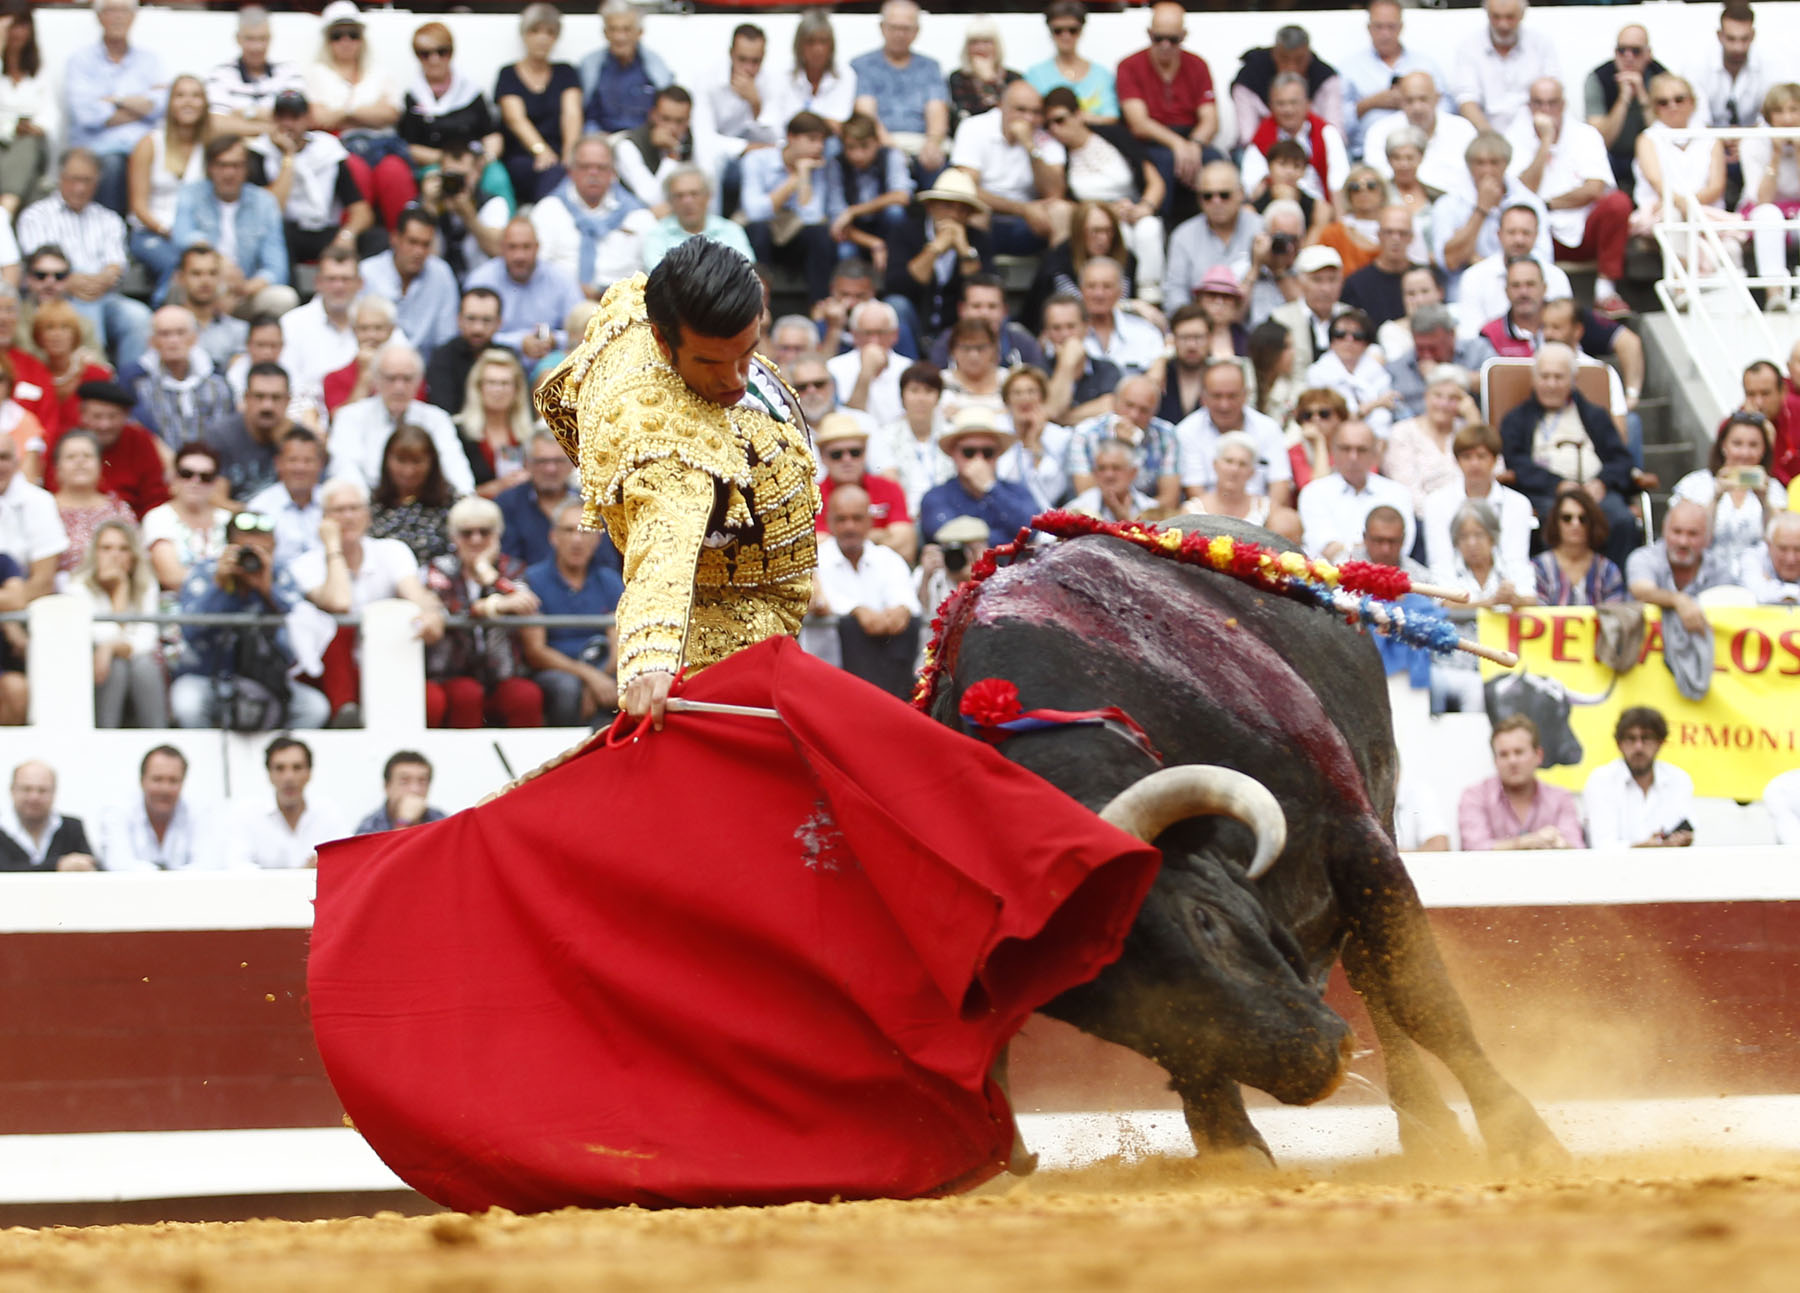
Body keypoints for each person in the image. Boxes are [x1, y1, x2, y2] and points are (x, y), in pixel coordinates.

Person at [289, 475, 443, 728]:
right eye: (339, 510)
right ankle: (345, 712)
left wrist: (430, 613)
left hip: (386, 664)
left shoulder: (392, 550)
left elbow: (415, 594)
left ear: (368, 514)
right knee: (341, 629)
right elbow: (340, 602)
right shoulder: (305, 564)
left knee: (433, 701)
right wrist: (333, 547)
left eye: (354, 508)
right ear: (324, 518)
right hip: (329, 674)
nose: (348, 517)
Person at [1497, 343, 1637, 567]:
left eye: (1559, 377)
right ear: (1534, 380)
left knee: (1622, 520)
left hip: (1594, 491)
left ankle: (1613, 585)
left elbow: (1621, 459)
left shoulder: (1595, 415)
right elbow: (1517, 463)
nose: (1551, 384)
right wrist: (1558, 485)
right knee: (1553, 520)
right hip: (1546, 493)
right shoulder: (1516, 419)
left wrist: (1601, 483)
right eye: (1545, 377)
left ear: (1572, 380)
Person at [16, 150, 152, 372]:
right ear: (60, 178)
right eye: (74, 179)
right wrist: (72, 280)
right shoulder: (36, 215)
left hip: (105, 293)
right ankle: (97, 371)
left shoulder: (109, 218)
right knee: (85, 304)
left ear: (97, 182)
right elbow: (38, 262)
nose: (79, 187)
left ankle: (130, 381)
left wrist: (102, 279)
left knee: (139, 317)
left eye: (87, 180)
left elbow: (116, 263)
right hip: (57, 295)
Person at [1507, 78, 1631, 316]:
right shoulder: (1514, 136)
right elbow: (1523, 191)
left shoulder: (1586, 135)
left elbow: (1594, 189)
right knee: (1518, 223)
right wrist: (1545, 142)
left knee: (1618, 203)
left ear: (1563, 104)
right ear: (1529, 106)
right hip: (1539, 233)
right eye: (1538, 103)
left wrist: (1546, 204)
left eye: (1552, 103)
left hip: (1583, 229)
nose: (1545, 110)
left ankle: (1605, 292)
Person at [306, 1, 417, 234]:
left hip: (384, 145)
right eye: (337, 35)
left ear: (361, 38)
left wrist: (345, 112)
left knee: (395, 172)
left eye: (353, 34)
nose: (346, 41)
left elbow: (391, 114)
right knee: (355, 172)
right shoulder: (316, 74)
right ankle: (351, 243)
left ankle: (405, 241)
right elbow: (318, 118)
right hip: (342, 148)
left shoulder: (379, 72)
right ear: (327, 40)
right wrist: (369, 111)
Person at [805, 481, 921, 696]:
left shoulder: (888, 558)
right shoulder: (813, 562)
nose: (849, 527)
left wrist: (900, 610)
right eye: (841, 519)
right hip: (828, 680)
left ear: (870, 521)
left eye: (857, 518)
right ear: (829, 522)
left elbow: (905, 602)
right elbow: (819, 602)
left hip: (887, 679)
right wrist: (857, 610)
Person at [519, 498, 621, 727]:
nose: (577, 540)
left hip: (605, 669)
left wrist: (599, 678)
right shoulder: (533, 580)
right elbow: (536, 651)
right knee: (566, 689)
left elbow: (619, 642)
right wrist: (589, 677)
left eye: (585, 531)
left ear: (598, 539)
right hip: (558, 672)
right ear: (553, 536)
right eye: (568, 530)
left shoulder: (610, 581)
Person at [252, 90, 377, 273]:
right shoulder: (260, 152)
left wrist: (347, 235)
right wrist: (288, 156)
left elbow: (361, 210)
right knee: (276, 236)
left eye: (294, 117)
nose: (287, 124)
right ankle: (287, 290)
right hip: (287, 231)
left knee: (377, 239)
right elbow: (271, 210)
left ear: (307, 119)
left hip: (326, 231)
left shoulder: (327, 150)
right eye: (281, 117)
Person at [330, 342, 476, 497]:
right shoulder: (350, 417)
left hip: (427, 503)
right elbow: (346, 469)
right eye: (391, 378)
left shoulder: (437, 419)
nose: (399, 387)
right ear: (375, 380)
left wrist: (466, 499)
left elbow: (455, 466)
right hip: (368, 500)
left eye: (407, 379)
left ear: (419, 381)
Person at [61, 0, 165, 216]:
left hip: (143, 149)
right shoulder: (80, 60)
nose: (118, 17)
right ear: (98, 17)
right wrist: (139, 108)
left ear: (134, 17)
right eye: (111, 10)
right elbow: (87, 115)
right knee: (113, 164)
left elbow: (160, 106)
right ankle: (113, 231)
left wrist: (115, 100)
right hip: (98, 150)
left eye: (124, 11)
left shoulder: (150, 60)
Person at [64, 515, 163, 727]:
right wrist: (120, 591)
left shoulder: (146, 584)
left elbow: (147, 640)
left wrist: (110, 647)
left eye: (123, 549)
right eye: (106, 548)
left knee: (144, 666)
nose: (115, 555)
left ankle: (157, 734)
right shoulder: (77, 587)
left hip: (134, 663)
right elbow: (98, 637)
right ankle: (105, 733)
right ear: (95, 553)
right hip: (90, 667)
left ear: (133, 555)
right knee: (116, 667)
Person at [949, 80, 1067, 257]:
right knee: (974, 212)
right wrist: (1022, 209)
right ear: (1001, 106)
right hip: (988, 214)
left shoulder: (1045, 137)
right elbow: (966, 188)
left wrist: (1030, 147)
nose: (1029, 118)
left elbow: (1055, 194)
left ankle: (1056, 272)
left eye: (1036, 112)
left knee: (1062, 211)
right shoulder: (974, 127)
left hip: (1031, 222)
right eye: (1021, 110)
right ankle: (978, 272)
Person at [1625, 500, 1737, 687]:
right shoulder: (1643, 558)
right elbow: (1641, 590)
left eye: (1693, 534)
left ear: (1708, 538)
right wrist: (1678, 601)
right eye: (1677, 532)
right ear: (1664, 530)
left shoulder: (1720, 569)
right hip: (1642, 675)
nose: (1683, 542)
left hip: (1708, 677)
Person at [529, 135, 652, 300]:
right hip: (560, 301)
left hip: (623, 304)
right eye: (585, 167)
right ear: (570, 171)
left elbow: (652, 272)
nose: (593, 173)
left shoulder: (638, 216)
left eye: (601, 167)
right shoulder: (548, 210)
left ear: (613, 172)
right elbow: (536, 268)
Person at [1672, 411, 1790, 570]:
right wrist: (1716, 497)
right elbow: (1685, 539)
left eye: (1753, 445)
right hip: (1707, 572)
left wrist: (1765, 502)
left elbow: (1783, 543)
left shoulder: (1773, 489)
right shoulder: (1694, 484)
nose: (1745, 453)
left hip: (1758, 574)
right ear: (1723, 446)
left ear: (1763, 450)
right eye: (1737, 444)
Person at [849, 0, 950, 178]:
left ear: (916, 31)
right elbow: (866, 114)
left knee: (939, 166)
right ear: (882, 28)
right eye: (894, 27)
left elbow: (937, 110)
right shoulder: (862, 66)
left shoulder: (930, 67)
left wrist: (933, 142)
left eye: (906, 28)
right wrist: (893, 149)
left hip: (921, 143)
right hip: (880, 144)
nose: (899, 34)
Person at [1632, 73, 1734, 248]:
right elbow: (1657, 182)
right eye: (1663, 102)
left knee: (1731, 248)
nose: (1672, 106)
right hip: (1662, 214)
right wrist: (1682, 205)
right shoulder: (1647, 139)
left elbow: (1716, 187)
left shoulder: (1710, 138)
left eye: (1679, 99)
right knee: (1673, 217)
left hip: (1707, 214)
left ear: (1692, 102)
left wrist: (1689, 205)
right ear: (1655, 108)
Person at [1174, 358, 1294, 507]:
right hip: (1207, 515)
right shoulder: (1187, 431)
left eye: (1232, 396)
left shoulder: (1269, 428)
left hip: (1262, 514)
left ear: (1245, 395)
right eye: (1217, 396)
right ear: (1203, 397)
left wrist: (1263, 516)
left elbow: (1280, 484)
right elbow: (1194, 491)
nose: (1224, 405)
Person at [496, 4, 584, 205]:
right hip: (522, 154)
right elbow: (515, 119)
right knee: (550, 174)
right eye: (535, 31)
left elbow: (572, 114)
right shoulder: (508, 74)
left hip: (560, 154)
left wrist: (569, 154)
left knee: (561, 172)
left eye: (550, 32)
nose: (542, 38)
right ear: (524, 34)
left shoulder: (566, 72)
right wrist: (540, 150)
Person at [126, 73, 209, 287]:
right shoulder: (149, 144)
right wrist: (168, 231)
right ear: (170, 103)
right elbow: (138, 206)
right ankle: (165, 306)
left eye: (196, 96)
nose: (188, 102)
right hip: (152, 231)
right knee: (177, 264)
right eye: (180, 96)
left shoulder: (208, 146)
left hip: (194, 233)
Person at [1458, 715, 1586, 851]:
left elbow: (1576, 847)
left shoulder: (1560, 798)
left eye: (1519, 752)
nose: (1512, 761)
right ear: (1495, 761)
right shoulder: (1475, 796)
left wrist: (1560, 844)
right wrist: (1525, 842)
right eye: (1504, 754)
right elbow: (1474, 848)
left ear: (1538, 755)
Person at [917, 405, 1039, 546]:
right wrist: (1011, 539)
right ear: (953, 454)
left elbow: (1031, 529)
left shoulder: (1017, 491)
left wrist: (991, 487)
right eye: (969, 452)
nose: (978, 459)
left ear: (997, 455)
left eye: (987, 452)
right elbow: (948, 536)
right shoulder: (937, 496)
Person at [1342, 1, 1445, 162]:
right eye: (1379, 27)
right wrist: (1370, 103)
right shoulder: (1349, 68)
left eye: (1391, 27)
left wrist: (1415, 103)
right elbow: (1339, 122)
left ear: (1401, 27)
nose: (1385, 34)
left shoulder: (1425, 64)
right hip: (1365, 157)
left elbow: (1446, 106)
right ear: (1368, 28)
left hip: (1425, 152)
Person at [1297, 418, 1413, 560]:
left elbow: (1400, 547)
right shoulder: (1314, 492)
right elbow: (1327, 548)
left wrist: (1349, 549)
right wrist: (1367, 551)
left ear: (1375, 453)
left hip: (1386, 572)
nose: (1353, 457)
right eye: (1345, 449)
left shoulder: (1398, 493)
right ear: (1333, 451)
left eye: (1361, 450)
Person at [398, 21, 501, 181]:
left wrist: (483, 160)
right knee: (434, 185)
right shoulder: (412, 97)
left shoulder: (471, 92)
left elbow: (491, 134)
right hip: (434, 164)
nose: (434, 59)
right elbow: (408, 146)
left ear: (451, 52)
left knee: (496, 178)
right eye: (425, 54)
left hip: (476, 163)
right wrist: (447, 160)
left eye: (442, 52)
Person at [124, 306, 236, 450]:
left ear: (194, 338)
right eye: (164, 334)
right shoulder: (137, 385)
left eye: (180, 333)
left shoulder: (217, 384)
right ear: (152, 341)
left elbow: (224, 434)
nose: (173, 340)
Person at [1583, 706, 1695, 849]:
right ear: (1619, 744)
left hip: (1669, 862)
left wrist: (1681, 840)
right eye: (1631, 739)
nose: (1638, 747)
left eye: (1646, 738)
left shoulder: (1678, 779)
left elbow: (1684, 828)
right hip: (1614, 864)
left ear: (1660, 743)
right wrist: (1643, 847)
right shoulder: (1601, 780)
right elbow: (1602, 846)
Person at [96, 746, 222, 870]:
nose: (165, 789)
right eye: (157, 779)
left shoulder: (199, 812)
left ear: (183, 782)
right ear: (142, 781)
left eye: (173, 780)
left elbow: (209, 865)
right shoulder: (118, 812)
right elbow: (118, 864)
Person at [359, 205, 459, 360]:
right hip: (376, 363)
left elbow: (446, 337)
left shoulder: (442, 274)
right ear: (395, 239)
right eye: (412, 242)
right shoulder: (367, 272)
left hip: (427, 367)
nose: (419, 251)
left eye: (425, 244)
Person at [234, 736, 346, 870]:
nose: (289, 777)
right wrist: (303, 873)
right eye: (280, 768)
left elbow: (346, 861)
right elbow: (238, 868)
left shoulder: (327, 812)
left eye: (297, 768)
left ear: (309, 773)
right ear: (269, 774)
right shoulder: (248, 815)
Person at [1450, 0, 1560, 137]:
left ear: (1522, 14)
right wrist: (1491, 137)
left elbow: (1553, 92)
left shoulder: (1541, 44)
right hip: (1484, 133)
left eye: (1510, 17)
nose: (1503, 25)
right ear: (1487, 14)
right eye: (1496, 17)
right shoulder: (1469, 47)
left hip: (1534, 131)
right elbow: (1466, 100)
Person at [1241, 75, 1349, 212]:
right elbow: (1252, 185)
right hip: (1275, 207)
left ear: (1308, 104)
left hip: (1319, 207)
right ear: (1270, 106)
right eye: (1281, 103)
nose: (1288, 110)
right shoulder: (1261, 137)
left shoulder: (1326, 132)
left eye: (1294, 102)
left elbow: (1339, 182)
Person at [1366, 72, 1477, 198]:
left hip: (1455, 203)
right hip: (1400, 203)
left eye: (1423, 99)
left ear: (1437, 98)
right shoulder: (1380, 131)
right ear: (1400, 101)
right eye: (1409, 101)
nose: (1417, 108)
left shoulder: (1462, 129)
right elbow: (1379, 180)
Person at [142, 439, 229, 597]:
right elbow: (171, 577)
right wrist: (223, 578)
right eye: (186, 474)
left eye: (205, 477)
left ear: (215, 482)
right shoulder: (158, 517)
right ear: (174, 477)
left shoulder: (227, 519)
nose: (195, 482)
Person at [1740, 82, 1800, 307]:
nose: (1787, 118)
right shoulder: (1754, 142)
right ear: (1769, 115)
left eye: (1794, 110)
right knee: (1768, 214)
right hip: (1765, 212)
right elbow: (1762, 199)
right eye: (1779, 111)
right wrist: (1775, 155)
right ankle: (1774, 294)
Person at [206, 6, 303, 145]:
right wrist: (268, 128)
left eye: (262, 39)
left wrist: (244, 113)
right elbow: (215, 124)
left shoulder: (289, 71)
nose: (257, 47)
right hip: (238, 152)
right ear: (238, 39)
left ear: (270, 38)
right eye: (250, 39)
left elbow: (296, 117)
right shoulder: (220, 74)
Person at [1587, 25, 1666, 194]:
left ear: (1648, 54)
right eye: (1622, 50)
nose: (1628, 57)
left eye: (1636, 51)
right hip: (1613, 156)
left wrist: (1643, 96)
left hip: (1651, 156)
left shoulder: (1661, 78)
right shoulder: (1598, 78)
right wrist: (1624, 99)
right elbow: (1600, 141)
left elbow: (1665, 137)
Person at [1386, 364, 1473, 516]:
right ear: (1426, 396)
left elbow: (1496, 471)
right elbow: (1407, 490)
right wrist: (1440, 517)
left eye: (1453, 398)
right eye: (1438, 396)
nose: (1444, 404)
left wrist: (1474, 418)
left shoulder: (1467, 430)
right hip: (1422, 517)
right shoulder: (1403, 432)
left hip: (1470, 515)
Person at [579, 0, 673, 138]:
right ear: (605, 32)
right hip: (602, 140)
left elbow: (668, 111)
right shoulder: (590, 66)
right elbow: (584, 115)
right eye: (613, 29)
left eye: (626, 29)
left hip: (645, 140)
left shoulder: (656, 67)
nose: (619, 37)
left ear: (639, 32)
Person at [48, 431, 134, 580]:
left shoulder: (118, 509)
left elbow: (134, 555)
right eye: (71, 457)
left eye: (87, 456)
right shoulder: (45, 508)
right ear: (57, 468)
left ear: (100, 465)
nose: (80, 462)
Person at [370, 423, 457, 567]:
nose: (408, 471)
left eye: (417, 461)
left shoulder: (450, 502)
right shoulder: (373, 503)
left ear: (431, 462)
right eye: (401, 461)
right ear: (387, 460)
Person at [643, 165, 752, 273]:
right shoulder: (657, 234)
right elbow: (658, 274)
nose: (687, 202)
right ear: (669, 200)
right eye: (679, 196)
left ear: (708, 196)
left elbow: (745, 269)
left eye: (694, 194)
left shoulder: (730, 230)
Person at [1304, 308, 1395, 439]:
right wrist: (1373, 405)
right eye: (1340, 334)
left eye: (1357, 336)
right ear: (1331, 341)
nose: (1349, 340)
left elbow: (1386, 413)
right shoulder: (1317, 373)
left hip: (1378, 438)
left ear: (1367, 343)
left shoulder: (1378, 371)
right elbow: (1329, 419)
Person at [1531, 483, 1625, 606]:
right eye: (1567, 518)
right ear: (1555, 522)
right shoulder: (1538, 568)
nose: (1575, 524)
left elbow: (1614, 615)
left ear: (1593, 523)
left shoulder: (1608, 571)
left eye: (1583, 518)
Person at [0, 0, 51, 222]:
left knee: (27, 145)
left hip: (31, 143)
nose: (16, 33)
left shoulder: (40, 69)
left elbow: (51, 114)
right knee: (34, 192)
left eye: (21, 25)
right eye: (10, 26)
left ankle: (4, 214)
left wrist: (33, 127)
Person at [1689, 2, 1771, 139]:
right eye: (1731, 39)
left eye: (1744, 39)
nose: (1738, 47)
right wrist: (1720, 140)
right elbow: (1696, 118)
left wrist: (1746, 139)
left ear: (1753, 35)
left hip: (1756, 141)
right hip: (1708, 141)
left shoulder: (1770, 63)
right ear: (1719, 35)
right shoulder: (1697, 64)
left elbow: (1771, 115)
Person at [211, 359, 290, 502]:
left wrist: (287, 447)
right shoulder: (222, 436)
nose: (267, 406)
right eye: (259, 396)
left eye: (276, 397)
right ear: (246, 398)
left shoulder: (298, 439)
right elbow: (215, 500)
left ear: (288, 400)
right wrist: (254, 514)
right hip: (237, 514)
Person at [768, 10, 858, 135]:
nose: (818, 49)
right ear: (799, 45)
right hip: (788, 142)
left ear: (831, 45)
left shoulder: (845, 75)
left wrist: (799, 123)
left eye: (823, 42)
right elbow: (774, 122)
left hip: (829, 141)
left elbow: (839, 124)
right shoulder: (782, 74)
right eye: (810, 42)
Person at [1025, 3, 1116, 126]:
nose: (1066, 36)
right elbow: (1031, 115)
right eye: (1058, 31)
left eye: (1072, 30)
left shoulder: (1102, 74)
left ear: (1081, 31)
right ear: (1050, 32)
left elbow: (1112, 116)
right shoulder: (1035, 74)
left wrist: (1083, 120)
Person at [247, 427, 328, 565]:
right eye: (293, 460)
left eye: (308, 460)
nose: (300, 468)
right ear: (278, 463)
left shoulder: (333, 503)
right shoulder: (259, 508)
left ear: (320, 464)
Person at [0, 760, 96, 872]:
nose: (34, 797)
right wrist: (57, 865)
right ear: (12, 790)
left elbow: (95, 868)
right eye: (27, 789)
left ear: (54, 792)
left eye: (42, 790)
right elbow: (5, 869)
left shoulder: (72, 828)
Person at [0, 428, 61, 602]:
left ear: (17, 461)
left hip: (27, 609)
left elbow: (43, 582)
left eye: (3, 457)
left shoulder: (40, 501)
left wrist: (11, 602)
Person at [423, 288, 503, 418]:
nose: (478, 328)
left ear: (499, 323)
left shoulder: (508, 358)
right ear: (459, 320)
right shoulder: (443, 357)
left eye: (487, 320)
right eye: (471, 319)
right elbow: (443, 413)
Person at [172, 246, 249, 373]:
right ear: (180, 278)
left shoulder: (239, 331)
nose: (205, 281)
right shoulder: (167, 331)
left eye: (212, 273)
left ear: (220, 277)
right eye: (196, 273)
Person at [1341, 208, 1419, 331]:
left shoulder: (1424, 278)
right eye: (1389, 232)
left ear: (1411, 237)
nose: (1396, 239)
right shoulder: (1357, 283)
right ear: (1379, 235)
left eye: (1402, 233)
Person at [947, 17, 1018, 133]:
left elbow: (1013, 113)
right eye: (974, 42)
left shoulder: (1013, 78)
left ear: (997, 46)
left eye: (986, 42)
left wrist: (991, 81)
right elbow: (963, 115)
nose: (980, 48)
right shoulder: (958, 78)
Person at [352, 749, 446, 834]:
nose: (415, 789)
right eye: (404, 781)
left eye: (422, 781)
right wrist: (403, 822)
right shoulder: (370, 826)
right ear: (387, 786)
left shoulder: (441, 821)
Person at [1742, 510, 1800, 604]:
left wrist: (1772, 586)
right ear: (1769, 545)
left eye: (1798, 549)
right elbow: (1757, 594)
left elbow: (1766, 594)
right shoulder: (1753, 557)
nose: (1790, 559)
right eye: (1783, 549)